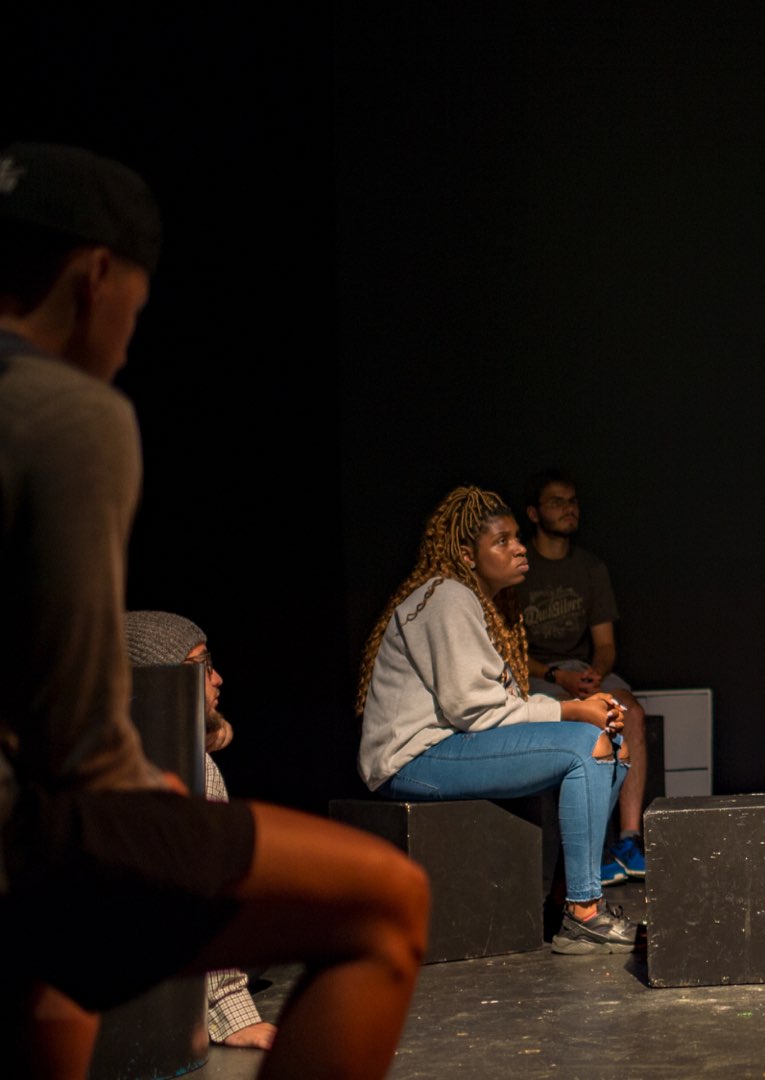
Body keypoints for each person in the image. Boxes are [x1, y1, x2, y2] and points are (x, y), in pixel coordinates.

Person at [0, 142, 426, 1079]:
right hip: (24, 841)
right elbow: (76, 743)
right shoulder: (65, 412)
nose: (126, 339)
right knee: (386, 903)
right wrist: (162, 789)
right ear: (97, 277)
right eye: (137, 312)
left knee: (59, 976)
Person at [357, 485, 637, 954]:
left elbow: (488, 706)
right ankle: (584, 912)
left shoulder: (480, 602)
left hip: (453, 746)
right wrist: (572, 709)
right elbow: (476, 710)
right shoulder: (447, 597)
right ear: (467, 554)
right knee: (585, 745)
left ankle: (564, 900)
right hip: (414, 759)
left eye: (516, 539)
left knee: (615, 747)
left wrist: (586, 715)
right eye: (502, 541)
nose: (519, 548)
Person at [123, 611, 275, 1052]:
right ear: (159, 680)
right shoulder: (192, 766)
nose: (218, 679)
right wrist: (232, 1015)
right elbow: (206, 889)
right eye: (202, 667)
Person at [517, 468, 648, 884]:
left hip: (580, 670)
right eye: (557, 502)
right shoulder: (520, 567)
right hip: (535, 673)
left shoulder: (590, 567)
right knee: (578, 719)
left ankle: (628, 840)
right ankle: (585, 851)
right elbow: (509, 652)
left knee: (632, 711)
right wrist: (557, 675)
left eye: (572, 501)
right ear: (534, 513)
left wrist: (595, 674)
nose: (569, 509)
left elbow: (605, 644)